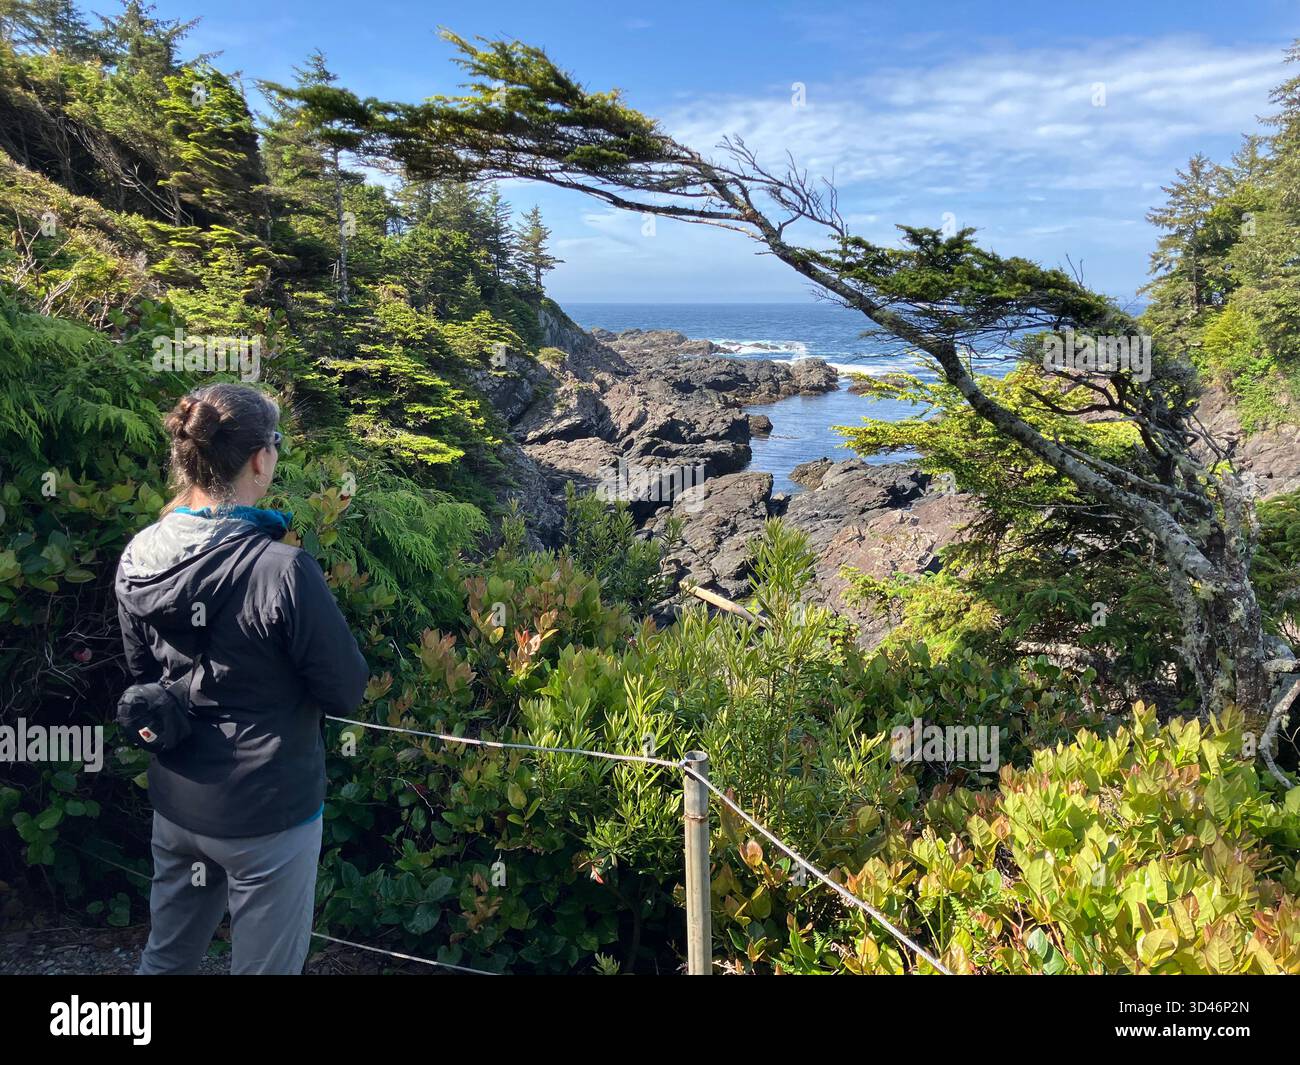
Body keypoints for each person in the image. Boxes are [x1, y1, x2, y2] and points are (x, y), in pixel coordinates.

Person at [115, 382, 369, 975]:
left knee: (167, 957)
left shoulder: (140, 553)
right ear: (261, 457)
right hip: (266, 809)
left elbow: (141, 673)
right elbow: (345, 687)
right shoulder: (281, 569)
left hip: (177, 799)